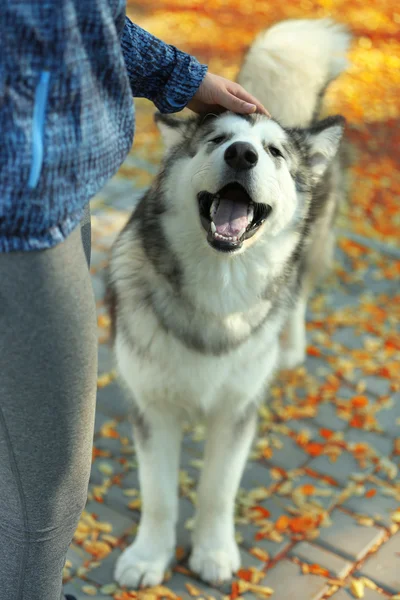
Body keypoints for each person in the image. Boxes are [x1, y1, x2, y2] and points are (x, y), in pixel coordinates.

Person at [0, 3, 268, 599]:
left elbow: (79, 16)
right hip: (20, 213)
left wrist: (177, 75)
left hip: (56, 187)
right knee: (49, 488)